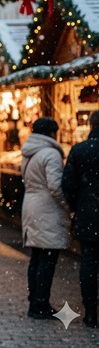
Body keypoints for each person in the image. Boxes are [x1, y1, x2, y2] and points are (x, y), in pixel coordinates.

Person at [20, 117, 69, 320]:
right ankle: (40, 304)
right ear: (51, 133)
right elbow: (55, 186)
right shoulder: (50, 153)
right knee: (47, 258)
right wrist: (68, 206)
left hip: (31, 205)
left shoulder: (29, 152)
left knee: (37, 257)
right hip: (47, 209)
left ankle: (35, 300)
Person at [62, 110, 99, 329]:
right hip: (88, 210)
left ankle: (91, 312)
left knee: (89, 262)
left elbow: (68, 184)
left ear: (91, 125)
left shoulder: (79, 150)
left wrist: (77, 205)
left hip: (88, 214)